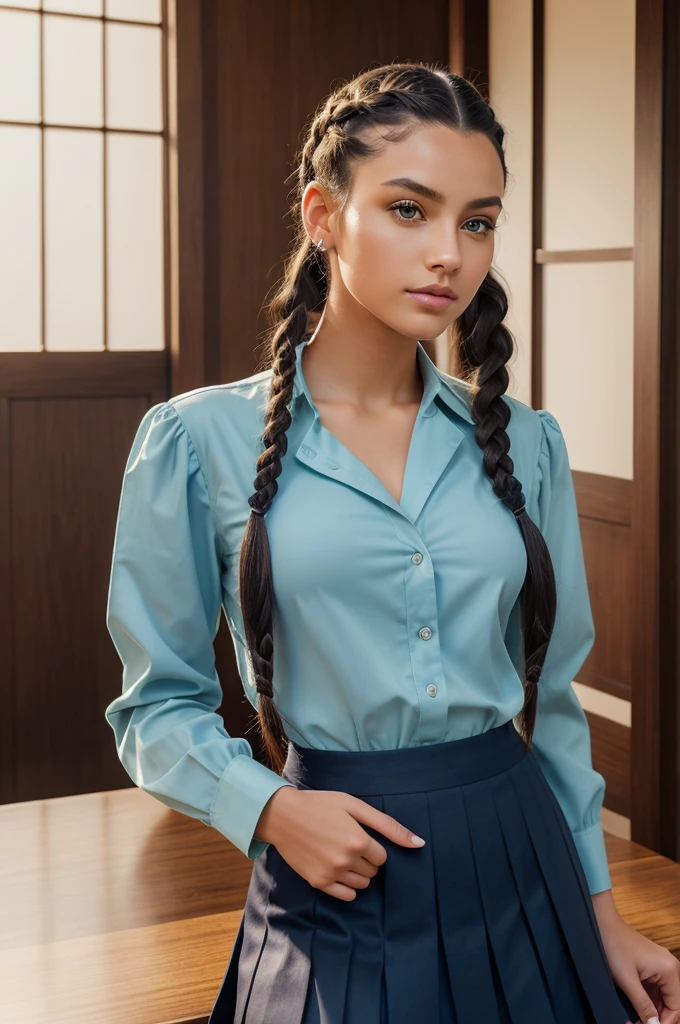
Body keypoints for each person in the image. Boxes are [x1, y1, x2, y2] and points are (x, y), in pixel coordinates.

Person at [104, 61, 680, 1024]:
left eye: (479, 221)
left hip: (522, 860)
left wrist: (603, 916)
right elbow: (155, 707)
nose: (450, 253)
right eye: (411, 210)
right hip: (329, 867)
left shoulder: (526, 442)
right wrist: (269, 809)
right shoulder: (195, 442)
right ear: (323, 214)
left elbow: (555, 698)